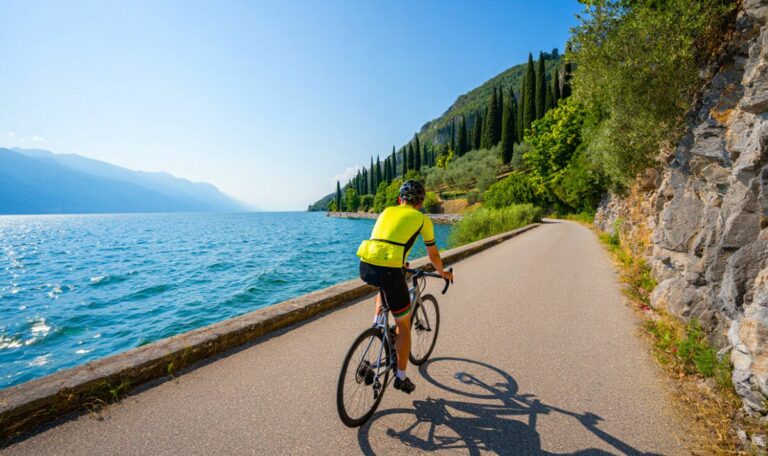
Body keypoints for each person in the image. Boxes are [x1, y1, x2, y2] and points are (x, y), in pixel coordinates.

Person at [356, 180, 454, 394]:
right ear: (420, 203)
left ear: (400, 200)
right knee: (403, 325)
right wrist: (443, 273)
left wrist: (401, 265)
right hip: (390, 270)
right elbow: (433, 254)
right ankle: (401, 377)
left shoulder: (386, 211)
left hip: (366, 265)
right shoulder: (422, 219)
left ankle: (378, 327)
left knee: (382, 288)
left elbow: (385, 243)